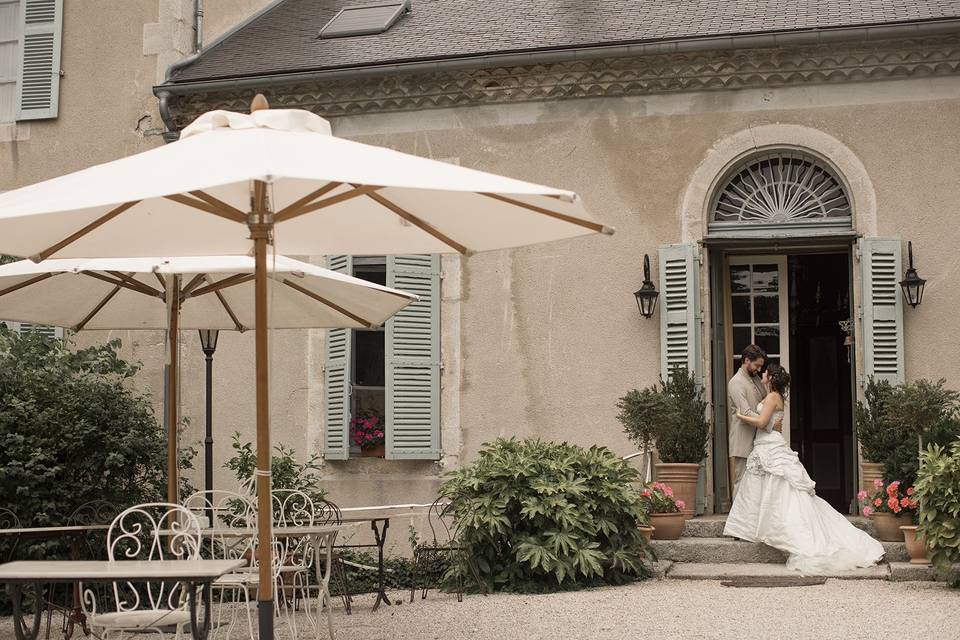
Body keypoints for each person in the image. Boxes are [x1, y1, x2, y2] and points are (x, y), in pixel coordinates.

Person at [723, 363, 885, 572]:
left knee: (780, 489)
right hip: (765, 444)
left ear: (771, 378)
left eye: (765, 373)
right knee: (765, 487)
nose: (762, 374)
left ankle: (784, 530)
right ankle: (758, 527)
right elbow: (768, 420)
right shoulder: (771, 394)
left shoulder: (772, 397)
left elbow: (762, 422)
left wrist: (740, 416)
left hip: (770, 444)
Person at [727, 345, 779, 498]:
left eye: (761, 366)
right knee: (742, 481)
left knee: (759, 483)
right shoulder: (735, 382)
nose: (759, 369)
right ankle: (737, 520)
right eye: (757, 365)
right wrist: (770, 423)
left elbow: (764, 403)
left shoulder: (756, 378)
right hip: (744, 439)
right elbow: (746, 412)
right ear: (747, 360)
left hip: (760, 439)